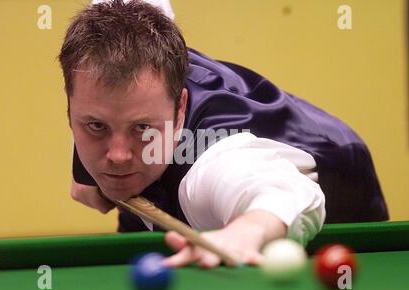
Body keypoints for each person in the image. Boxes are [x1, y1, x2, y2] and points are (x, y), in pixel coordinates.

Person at [60, 0, 388, 268]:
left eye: (142, 128)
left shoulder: (213, 159)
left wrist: (245, 231)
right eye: (96, 126)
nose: (117, 155)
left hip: (340, 202)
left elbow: (279, 192)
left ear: (179, 110)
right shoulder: (127, 64)